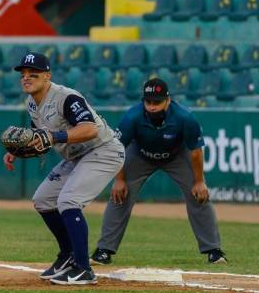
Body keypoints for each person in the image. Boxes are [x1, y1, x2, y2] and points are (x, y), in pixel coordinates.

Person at [4, 52, 125, 285]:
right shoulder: (32, 103)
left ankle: (83, 268)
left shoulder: (67, 98)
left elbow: (90, 129)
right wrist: (16, 152)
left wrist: (55, 135)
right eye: (23, 74)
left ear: (47, 76)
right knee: (43, 200)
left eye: (34, 74)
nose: (26, 78)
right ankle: (67, 255)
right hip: (76, 156)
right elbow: (39, 138)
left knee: (68, 201)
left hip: (103, 150)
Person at [91, 78, 225, 265]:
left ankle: (214, 251)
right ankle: (104, 251)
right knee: (120, 195)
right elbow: (117, 149)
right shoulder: (132, 117)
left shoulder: (185, 117)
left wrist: (199, 181)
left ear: (168, 100)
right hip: (140, 155)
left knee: (199, 195)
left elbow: (195, 151)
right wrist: (119, 180)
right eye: (148, 102)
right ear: (143, 101)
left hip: (177, 155)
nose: (152, 106)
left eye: (157, 102)